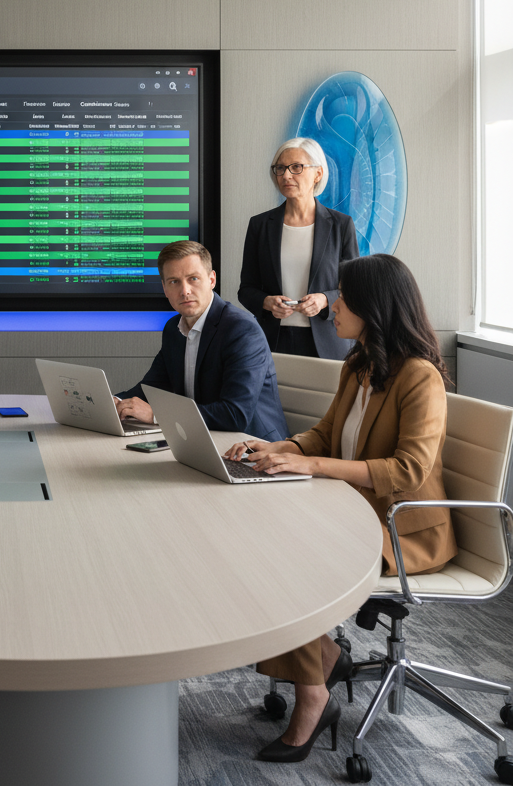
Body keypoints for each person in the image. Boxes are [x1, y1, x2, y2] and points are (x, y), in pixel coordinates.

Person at [224, 253, 456, 763]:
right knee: (258, 541)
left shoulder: (420, 377)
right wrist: (279, 448)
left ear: (374, 306)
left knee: (293, 562)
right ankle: (326, 657)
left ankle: (314, 697)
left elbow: (408, 470)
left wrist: (313, 466)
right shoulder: (358, 364)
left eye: (344, 298)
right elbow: (326, 434)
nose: (334, 306)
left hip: (402, 531)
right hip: (352, 511)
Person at [114, 240, 288, 441]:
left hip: (253, 445)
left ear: (212, 280)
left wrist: (157, 415)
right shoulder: (173, 328)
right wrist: (116, 402)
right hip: (201, 438)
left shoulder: (242, 330)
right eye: (174, 282)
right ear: (164, 288)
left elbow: (235, 414)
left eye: (193, 279)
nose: (185, 291)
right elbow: (153, 386)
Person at [238, 137, 359, 360]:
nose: (286, 175)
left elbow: (354, 289)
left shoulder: (341, 225)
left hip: (328, 341)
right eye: (280, 168)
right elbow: (246, 289)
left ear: (318, 174)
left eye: (296, 167)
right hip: (272, 341)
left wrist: (324, 300)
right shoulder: (260, 225)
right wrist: (266, 302)